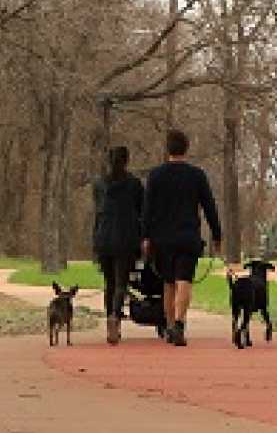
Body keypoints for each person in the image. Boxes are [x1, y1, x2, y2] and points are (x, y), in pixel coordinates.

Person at [140, 129, 220, 346]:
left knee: (168, 283)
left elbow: (147, 209)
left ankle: (168, 326)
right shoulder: (196, 175)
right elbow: (209, 206)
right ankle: (179, 324)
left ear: (168, 149)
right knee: (184, 281)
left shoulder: (155, 175)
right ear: (187, 149)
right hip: (187, 236)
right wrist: (217, 234)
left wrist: (145, 236)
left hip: (162, 238)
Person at [90, 145, 146, 345]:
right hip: (126, 238)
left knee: (109, 283)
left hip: (104, 237)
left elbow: (98, 212)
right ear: (127, 161)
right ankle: (115, 315)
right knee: (121, 282)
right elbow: (142, 212)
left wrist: (94, 241)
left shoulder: (99, 184)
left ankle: (109, 320)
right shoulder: (134, 184)